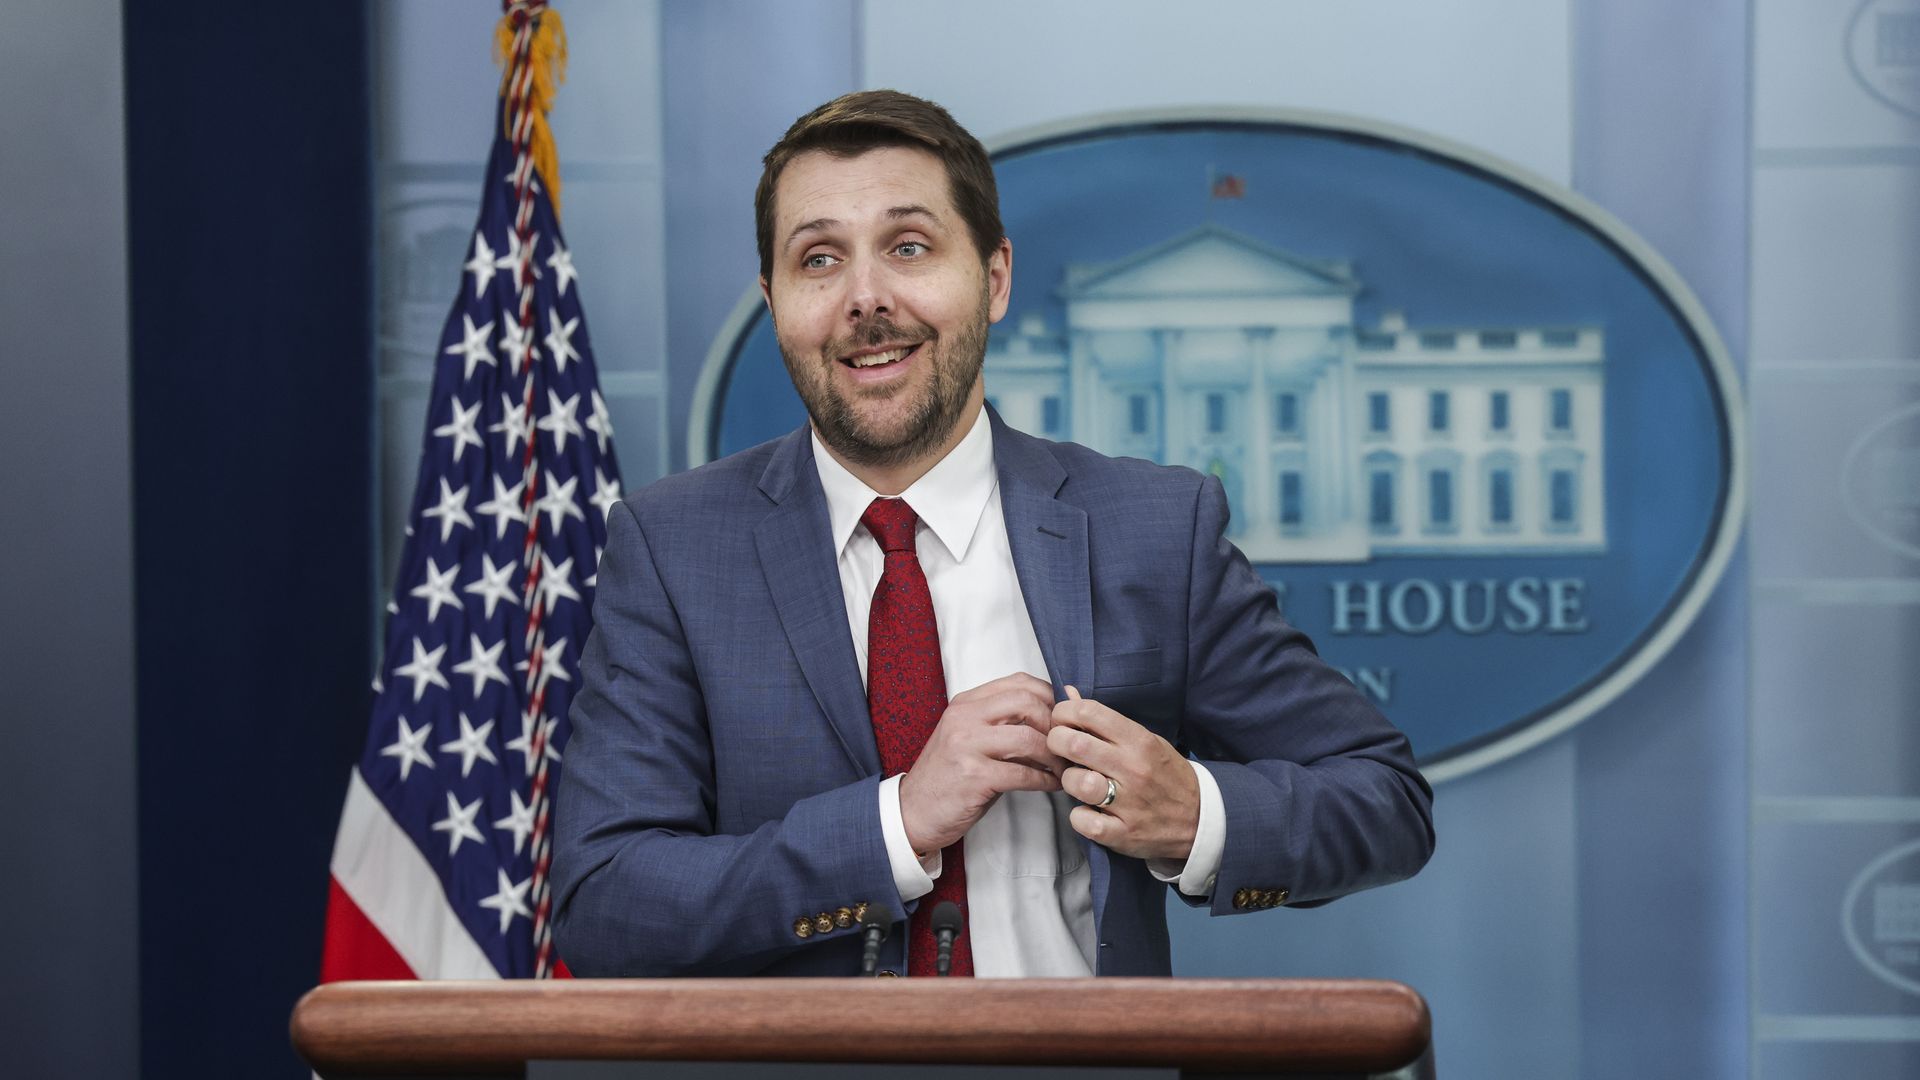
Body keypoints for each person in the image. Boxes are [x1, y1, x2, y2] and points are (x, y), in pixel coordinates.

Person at [551, 90, 1433, 978]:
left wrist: (1195, 813)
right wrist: (896, 822)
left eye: (909, 247)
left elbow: (1384, 802)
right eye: (819, 259)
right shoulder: (673, 548)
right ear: (774, 301)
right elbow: (604, 902)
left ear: (995, 278)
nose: (866, 298)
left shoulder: (1155, 530)